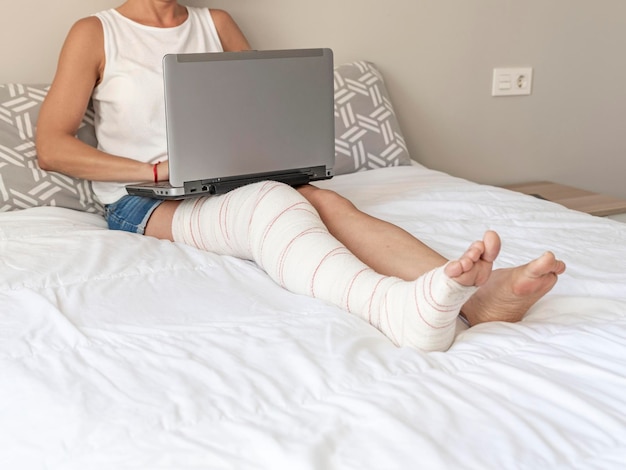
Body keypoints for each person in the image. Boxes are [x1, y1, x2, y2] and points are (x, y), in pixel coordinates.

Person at [35, 1, 566, 352]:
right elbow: (52, 147)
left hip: (228, 178)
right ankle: (392, 307)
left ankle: (478, 293)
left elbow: (260, 107)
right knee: (272, 204)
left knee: (331, 204)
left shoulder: (215, 22)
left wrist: (265, 153)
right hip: (141, 200)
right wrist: (153, 169)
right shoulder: (96, 32)